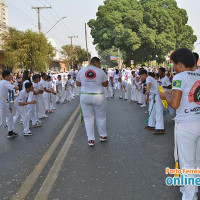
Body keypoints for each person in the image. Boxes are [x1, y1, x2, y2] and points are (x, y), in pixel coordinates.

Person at [160, 48, 200, 200]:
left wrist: (166, 96)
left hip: (186, 125)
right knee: (196, 161)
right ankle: (192, 191)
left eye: (174, 64)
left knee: (187, 164)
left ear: (181, 64)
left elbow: (175, 104)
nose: (174, 68)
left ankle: (190, 196)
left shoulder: (179, 77)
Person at [76, 57, 108, 147]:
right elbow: (106, 84)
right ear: (95, 62)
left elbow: (77, 83)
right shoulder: (100, 71)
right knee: (101, 117)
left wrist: (87, 83)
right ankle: (102, 135)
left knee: (88, 119)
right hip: (98, 96)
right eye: (99, 63)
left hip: (85, 96)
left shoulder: (82, 71)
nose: (100, 65)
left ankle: (90, 139)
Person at [139, 69, 165, 134]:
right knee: (151, 111)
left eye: (141, 76)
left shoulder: (148, 78)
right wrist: (147, 96)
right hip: (153, 96)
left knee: (158, 111)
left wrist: (148, 91)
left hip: (157, 96)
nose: (141, 78)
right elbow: (148, 88)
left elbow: (149, 85)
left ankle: (160, 128)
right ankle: (151, 125)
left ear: (144, 74)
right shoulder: (148, 78)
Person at [0, 71, 19, 138]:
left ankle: (10, 132)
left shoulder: (2, 82)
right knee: (3, 120)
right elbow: (17, 88)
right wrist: (13, 82)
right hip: (3, 104)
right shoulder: (5, 82)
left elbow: (5, 96)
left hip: (4, 103)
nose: (11, 77)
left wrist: (9, 105)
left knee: (9, 117)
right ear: (6, 76)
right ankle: (10, 132)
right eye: (10, 75)